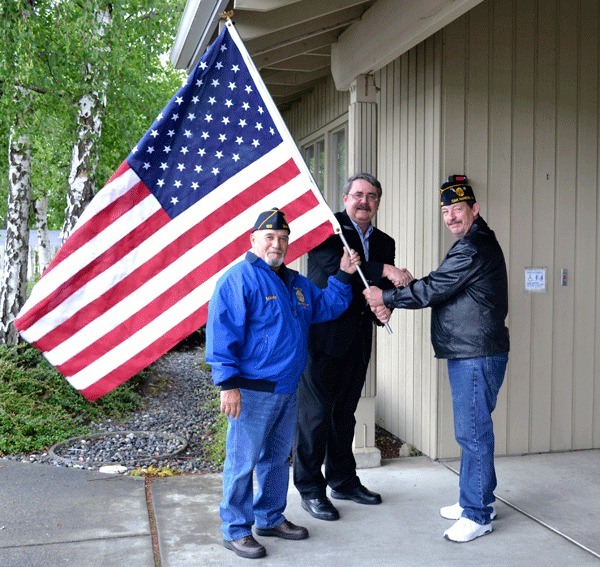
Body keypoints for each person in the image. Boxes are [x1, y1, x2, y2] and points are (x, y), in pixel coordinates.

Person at [205, 207, 361, 560]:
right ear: (253, 240)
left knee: (276, 460)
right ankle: (235, 529)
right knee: (242, 463)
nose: (277, 243)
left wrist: (344, 273)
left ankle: (270, 518)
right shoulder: (238, 280)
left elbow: (328, 306)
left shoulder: (296, 283)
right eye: (270, 237)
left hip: (287, 390)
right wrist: (227, 384)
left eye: (283, 238)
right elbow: (221, 335)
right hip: (250, 392)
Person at [363, 175, 510, 543]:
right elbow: (442, 281)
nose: (450, 217)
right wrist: (402, 289)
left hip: (475, 354)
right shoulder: (471, 243)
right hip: (471, 351)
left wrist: (387, 297)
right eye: (445, 211)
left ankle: (477, 514)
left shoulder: (473, 246)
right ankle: (477, 501)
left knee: (473, 433)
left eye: (457, 209)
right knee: (474, 431)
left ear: (474, 210)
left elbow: (436, 288)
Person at [293, 173, 413, 522]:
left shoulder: (386, 241)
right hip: (322, 338)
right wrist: (386, 269)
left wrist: (384, 308)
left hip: (358, 342)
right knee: (313, 419)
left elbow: (373, 288)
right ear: (345, 198)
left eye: (372, 196)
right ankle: (311, 490)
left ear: (378, 203)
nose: (364, 201)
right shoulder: (328, 231)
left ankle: (343, 480)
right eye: (358, 194)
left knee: (344, 416)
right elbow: (335, 269)